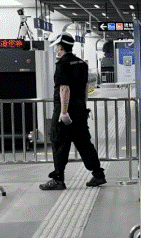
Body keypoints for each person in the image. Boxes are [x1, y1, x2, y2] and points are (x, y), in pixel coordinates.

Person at [40, 32, 107, 190]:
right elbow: (84, 89)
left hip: (65, 111)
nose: (56, 49)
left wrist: (64, 112)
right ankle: (98, 174)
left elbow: (64, 89)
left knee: (59, 143)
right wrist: (82, 107)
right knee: (84, 143)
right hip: (79, 110)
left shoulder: (62, 64)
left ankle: (58, 179)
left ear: (61, 47)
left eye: (57, 46)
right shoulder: (81, 63)